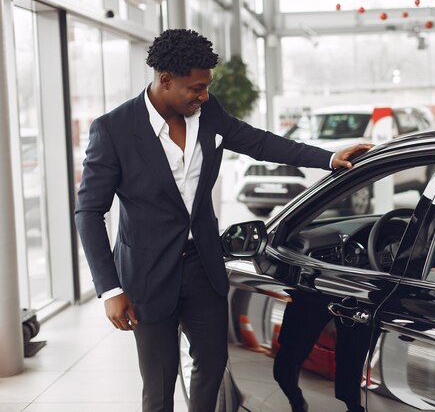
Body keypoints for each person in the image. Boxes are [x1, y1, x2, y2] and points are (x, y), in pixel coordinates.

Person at [74, 28, 372, 412]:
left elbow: (262, 142)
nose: (204, 96)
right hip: (146, 275)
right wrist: (110, 290)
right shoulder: (113, 130)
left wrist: (327, 158)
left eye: (206, 87)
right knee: (160, 384)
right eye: (195, 88)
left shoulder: (207, 113)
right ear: (165, 80)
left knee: (212, 368)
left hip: (203, 266)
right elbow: (88, 211)